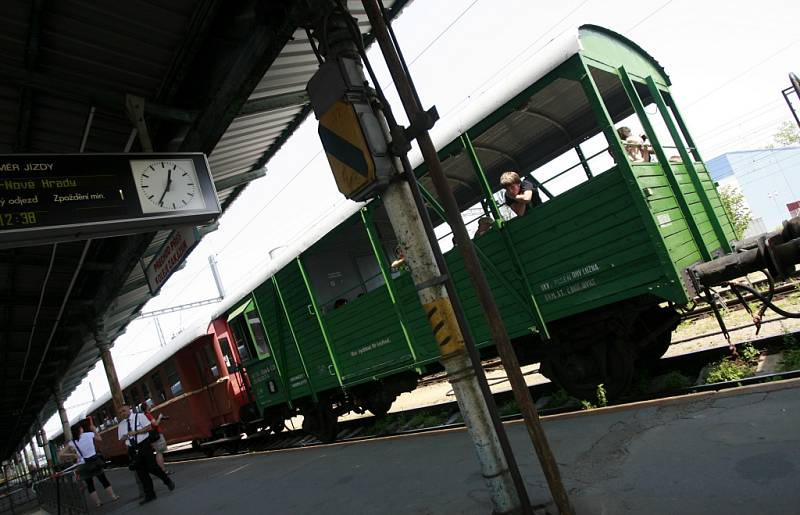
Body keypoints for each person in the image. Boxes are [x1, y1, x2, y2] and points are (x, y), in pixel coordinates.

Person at [117, 404, 174, 504]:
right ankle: (150, 495)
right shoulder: (121, 425)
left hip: (144, 444)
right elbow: (121, 439)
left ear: (129, 409)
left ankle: (166, 480)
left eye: (124, 410)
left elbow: (148, 428)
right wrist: (125, 436)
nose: (122, 413)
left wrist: (136, 432)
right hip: (133, 448)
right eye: (120, 412)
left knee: (152, 466)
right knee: (141, 473)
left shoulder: (139, 416)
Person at [61, 421, 119, 508]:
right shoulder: (89, 434)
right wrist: (95, 430)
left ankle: (98, 503)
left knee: (90, 485)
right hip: (94, 462)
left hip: (83, 465)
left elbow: (61, 454)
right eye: (81, 427)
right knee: (103, 480)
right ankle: (113, 496)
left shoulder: (72, 442)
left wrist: (73, 455)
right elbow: (99, 439)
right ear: (80, 429)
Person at [142, 403, 169, 474]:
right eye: (148, 405)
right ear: (146, 407)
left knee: (158, 452)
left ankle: (161, 470)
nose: (150, 406)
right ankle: (163, 470)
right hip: (156, 435)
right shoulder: (148, 415)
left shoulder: (144, 416)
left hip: (152, 436)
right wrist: (160, 417)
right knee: (159, 453)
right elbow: (155, 424)